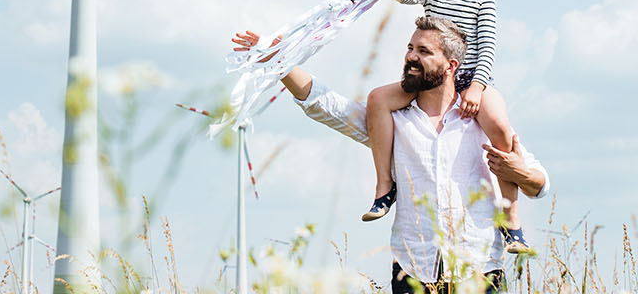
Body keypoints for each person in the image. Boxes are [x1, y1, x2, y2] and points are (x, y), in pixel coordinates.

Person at [231, 18, 549, 293]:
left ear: (451, 66)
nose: (411, 57)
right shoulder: (392, 122)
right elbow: (324, 104)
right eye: (410, 48)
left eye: (424, 52)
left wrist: (520, 173)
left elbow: (539, 184)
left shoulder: (482, 122)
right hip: (413, 273)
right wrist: (279, 59)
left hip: (480, 271)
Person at [361, 0, 528, 252]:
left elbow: (487, 47)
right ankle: (384, 186)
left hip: (471, 77)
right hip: (432, 76)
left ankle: (511, 219)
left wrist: (477, 88)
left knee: (500, 127)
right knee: (378, 99)